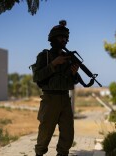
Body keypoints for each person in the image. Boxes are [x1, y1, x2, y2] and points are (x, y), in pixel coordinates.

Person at [33, 20, 79, 156]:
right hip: (49, 98)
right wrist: (53, 64)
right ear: (53, 39)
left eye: (65, 38)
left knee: (68, 132)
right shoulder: (44, 56)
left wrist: (74, 74)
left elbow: (72, 81)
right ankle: (39, 154)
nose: (64, 40)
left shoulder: (68, 57)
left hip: (65, 98)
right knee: (45, 131)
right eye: (61, 37)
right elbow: (37, 77)